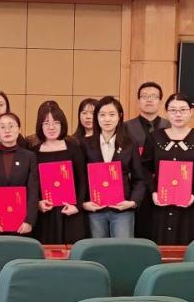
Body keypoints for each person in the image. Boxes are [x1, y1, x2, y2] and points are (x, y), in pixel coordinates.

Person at [148, 93, 194, 245]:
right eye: (173, 110)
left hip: (192, 206)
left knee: (189, 248)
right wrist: (153, 191)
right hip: (161, 204)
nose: (178, 114)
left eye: (183, 110)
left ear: (190, 112)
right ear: (166, 112)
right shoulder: (155, 137)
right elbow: (144, 168)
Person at [80, 96, 145, 238]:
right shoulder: (85, 144)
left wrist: (132, 202)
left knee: (122, 248)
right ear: (97, 117)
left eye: (111, 114)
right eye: (102, 115)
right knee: (97, 249)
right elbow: (81, 177)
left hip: (122, 210)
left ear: (120, 116)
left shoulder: (129, 144)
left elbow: (139, 178)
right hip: (95, 209)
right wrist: (83, 203)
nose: (107, 119)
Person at [32, 101, 87, 244]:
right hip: (45, 215)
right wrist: (37, 203)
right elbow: (31, 184)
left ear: (62, 124)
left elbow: (83, 180)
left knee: (73, 253)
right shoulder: (34, 152)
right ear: (40, 126)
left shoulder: (74, 148)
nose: (51, 127)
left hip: (70, 213)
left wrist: (77, 206)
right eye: (46, 123)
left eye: (56, 122)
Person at [125, 81, 170, 239]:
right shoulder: (125, 127)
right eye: (144, 96)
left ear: (160, 101)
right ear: (138, 101)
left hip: (164, 188)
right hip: (134, 187)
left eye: (153, 96)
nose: (149, 100)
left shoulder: (170, 126)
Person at [0, 113, 38, 236]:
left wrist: (29, 220)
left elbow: (33, 191)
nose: (7, 130)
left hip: (22, 224)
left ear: (19, 129)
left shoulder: (29, 157)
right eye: (2, 127)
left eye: (11, 126)